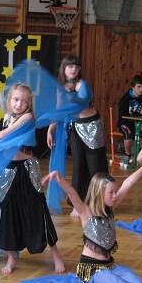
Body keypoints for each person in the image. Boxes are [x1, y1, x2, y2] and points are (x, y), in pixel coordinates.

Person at [19, 168, 142, 283]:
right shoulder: (85, 212)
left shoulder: (110, 209)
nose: (115, 196)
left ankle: (107, 281)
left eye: (115, 192)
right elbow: (71, 192)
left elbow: (127, 184)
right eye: (110, 192)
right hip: (92, 269)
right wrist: (57, 176)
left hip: (109, 266)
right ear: (99, 193)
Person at [0, 84, 65, 274]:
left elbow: (3, 135)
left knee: (37, 209)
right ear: (10, 99)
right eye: (16, 100)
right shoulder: (7, 117)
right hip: (8, 170)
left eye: (25, 101)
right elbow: (3, 143)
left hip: (27, 169)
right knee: (8, 212)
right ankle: (11, 258)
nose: (20, 104)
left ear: (29, 103)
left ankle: (55, 254)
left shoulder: (28, 117)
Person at [47, 54, 108, 218]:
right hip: (75, 127)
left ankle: (100, 202)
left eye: (76, 67)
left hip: (92, 126)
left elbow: (82, 100)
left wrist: (70, 94)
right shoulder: (61, 87)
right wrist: (50, 130)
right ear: (64, 68)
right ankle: (78, 202)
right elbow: (60, 110)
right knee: (78, 166)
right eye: (70, 66)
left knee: (95, 166)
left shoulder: (82, 84)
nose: (73, 69)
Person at [116, 74, 142, 168]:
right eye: (138, 87)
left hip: (140, 123)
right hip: (126, 123)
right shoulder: (125, 99)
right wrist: (141, 127)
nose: (141, 89)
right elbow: (123, 117)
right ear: (132, 87)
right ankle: (127, 155)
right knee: (129, 134)